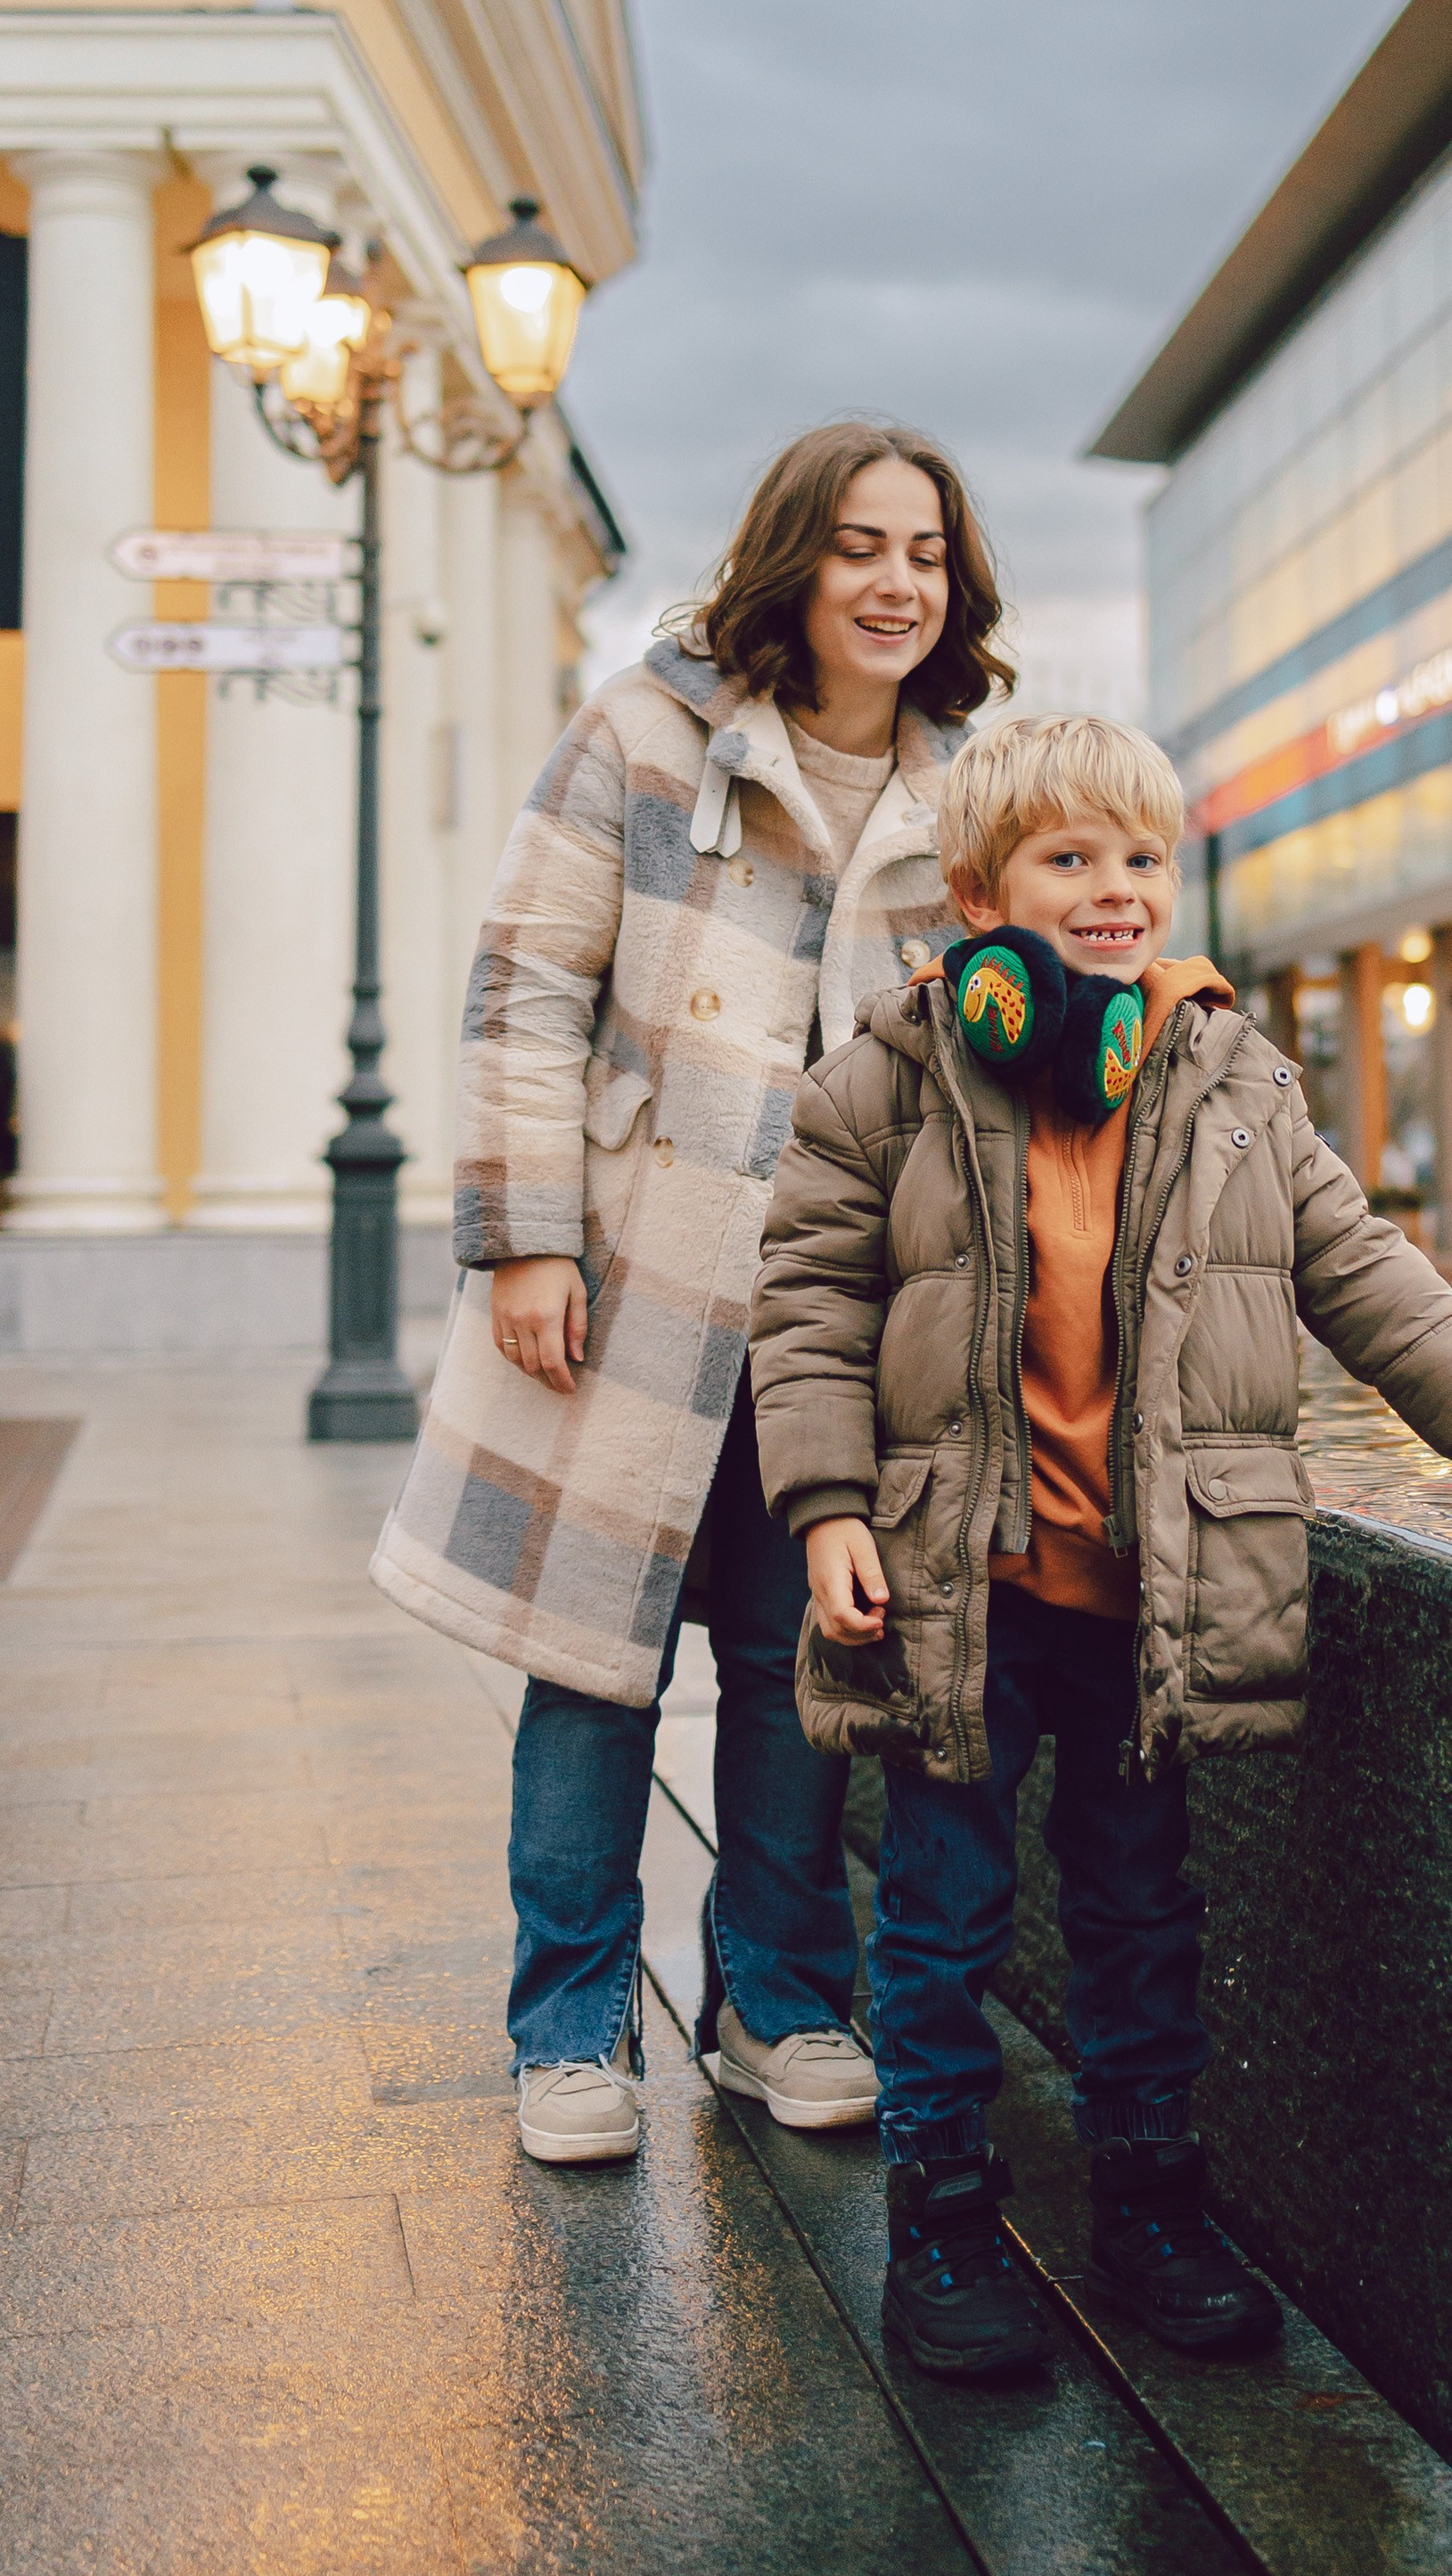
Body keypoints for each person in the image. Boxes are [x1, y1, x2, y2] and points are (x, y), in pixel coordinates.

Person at [748, 710, 1452, 2377]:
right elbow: (809, 1311)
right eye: (1069, 860)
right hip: (960, 1587)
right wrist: (824, 1508)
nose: (1115, 892)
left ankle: (1152, 2204)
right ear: (981, 898)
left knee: (1139, 1911)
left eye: (1140, 860)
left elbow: (1365, 1269)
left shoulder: (1231, 1076)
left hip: (1150, 1597)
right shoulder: (880, 1080)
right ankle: (945, 2224)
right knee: (944, 1922)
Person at [370, 420, 1011, 2167]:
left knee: (808, 1661)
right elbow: (523, 990)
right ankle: (570, 2027)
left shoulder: (972, 791)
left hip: (842, 1323)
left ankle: (776, 2003)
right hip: (636, 1281)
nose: (893, 584)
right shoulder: (647, 735)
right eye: (861, 546)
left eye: (924, 554)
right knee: (591, 1667)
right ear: (792, 559)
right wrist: (521, 1237)